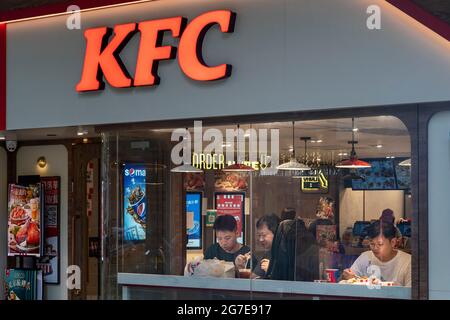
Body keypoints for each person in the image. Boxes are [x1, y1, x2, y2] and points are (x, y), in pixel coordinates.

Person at [342, 220, 411, 286]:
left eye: (380, 244)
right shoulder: (365, 257)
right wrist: (347, 277)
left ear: (393, 242)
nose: (375, 248)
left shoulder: (408, 262)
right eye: (372, 244)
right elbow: (348, 280)